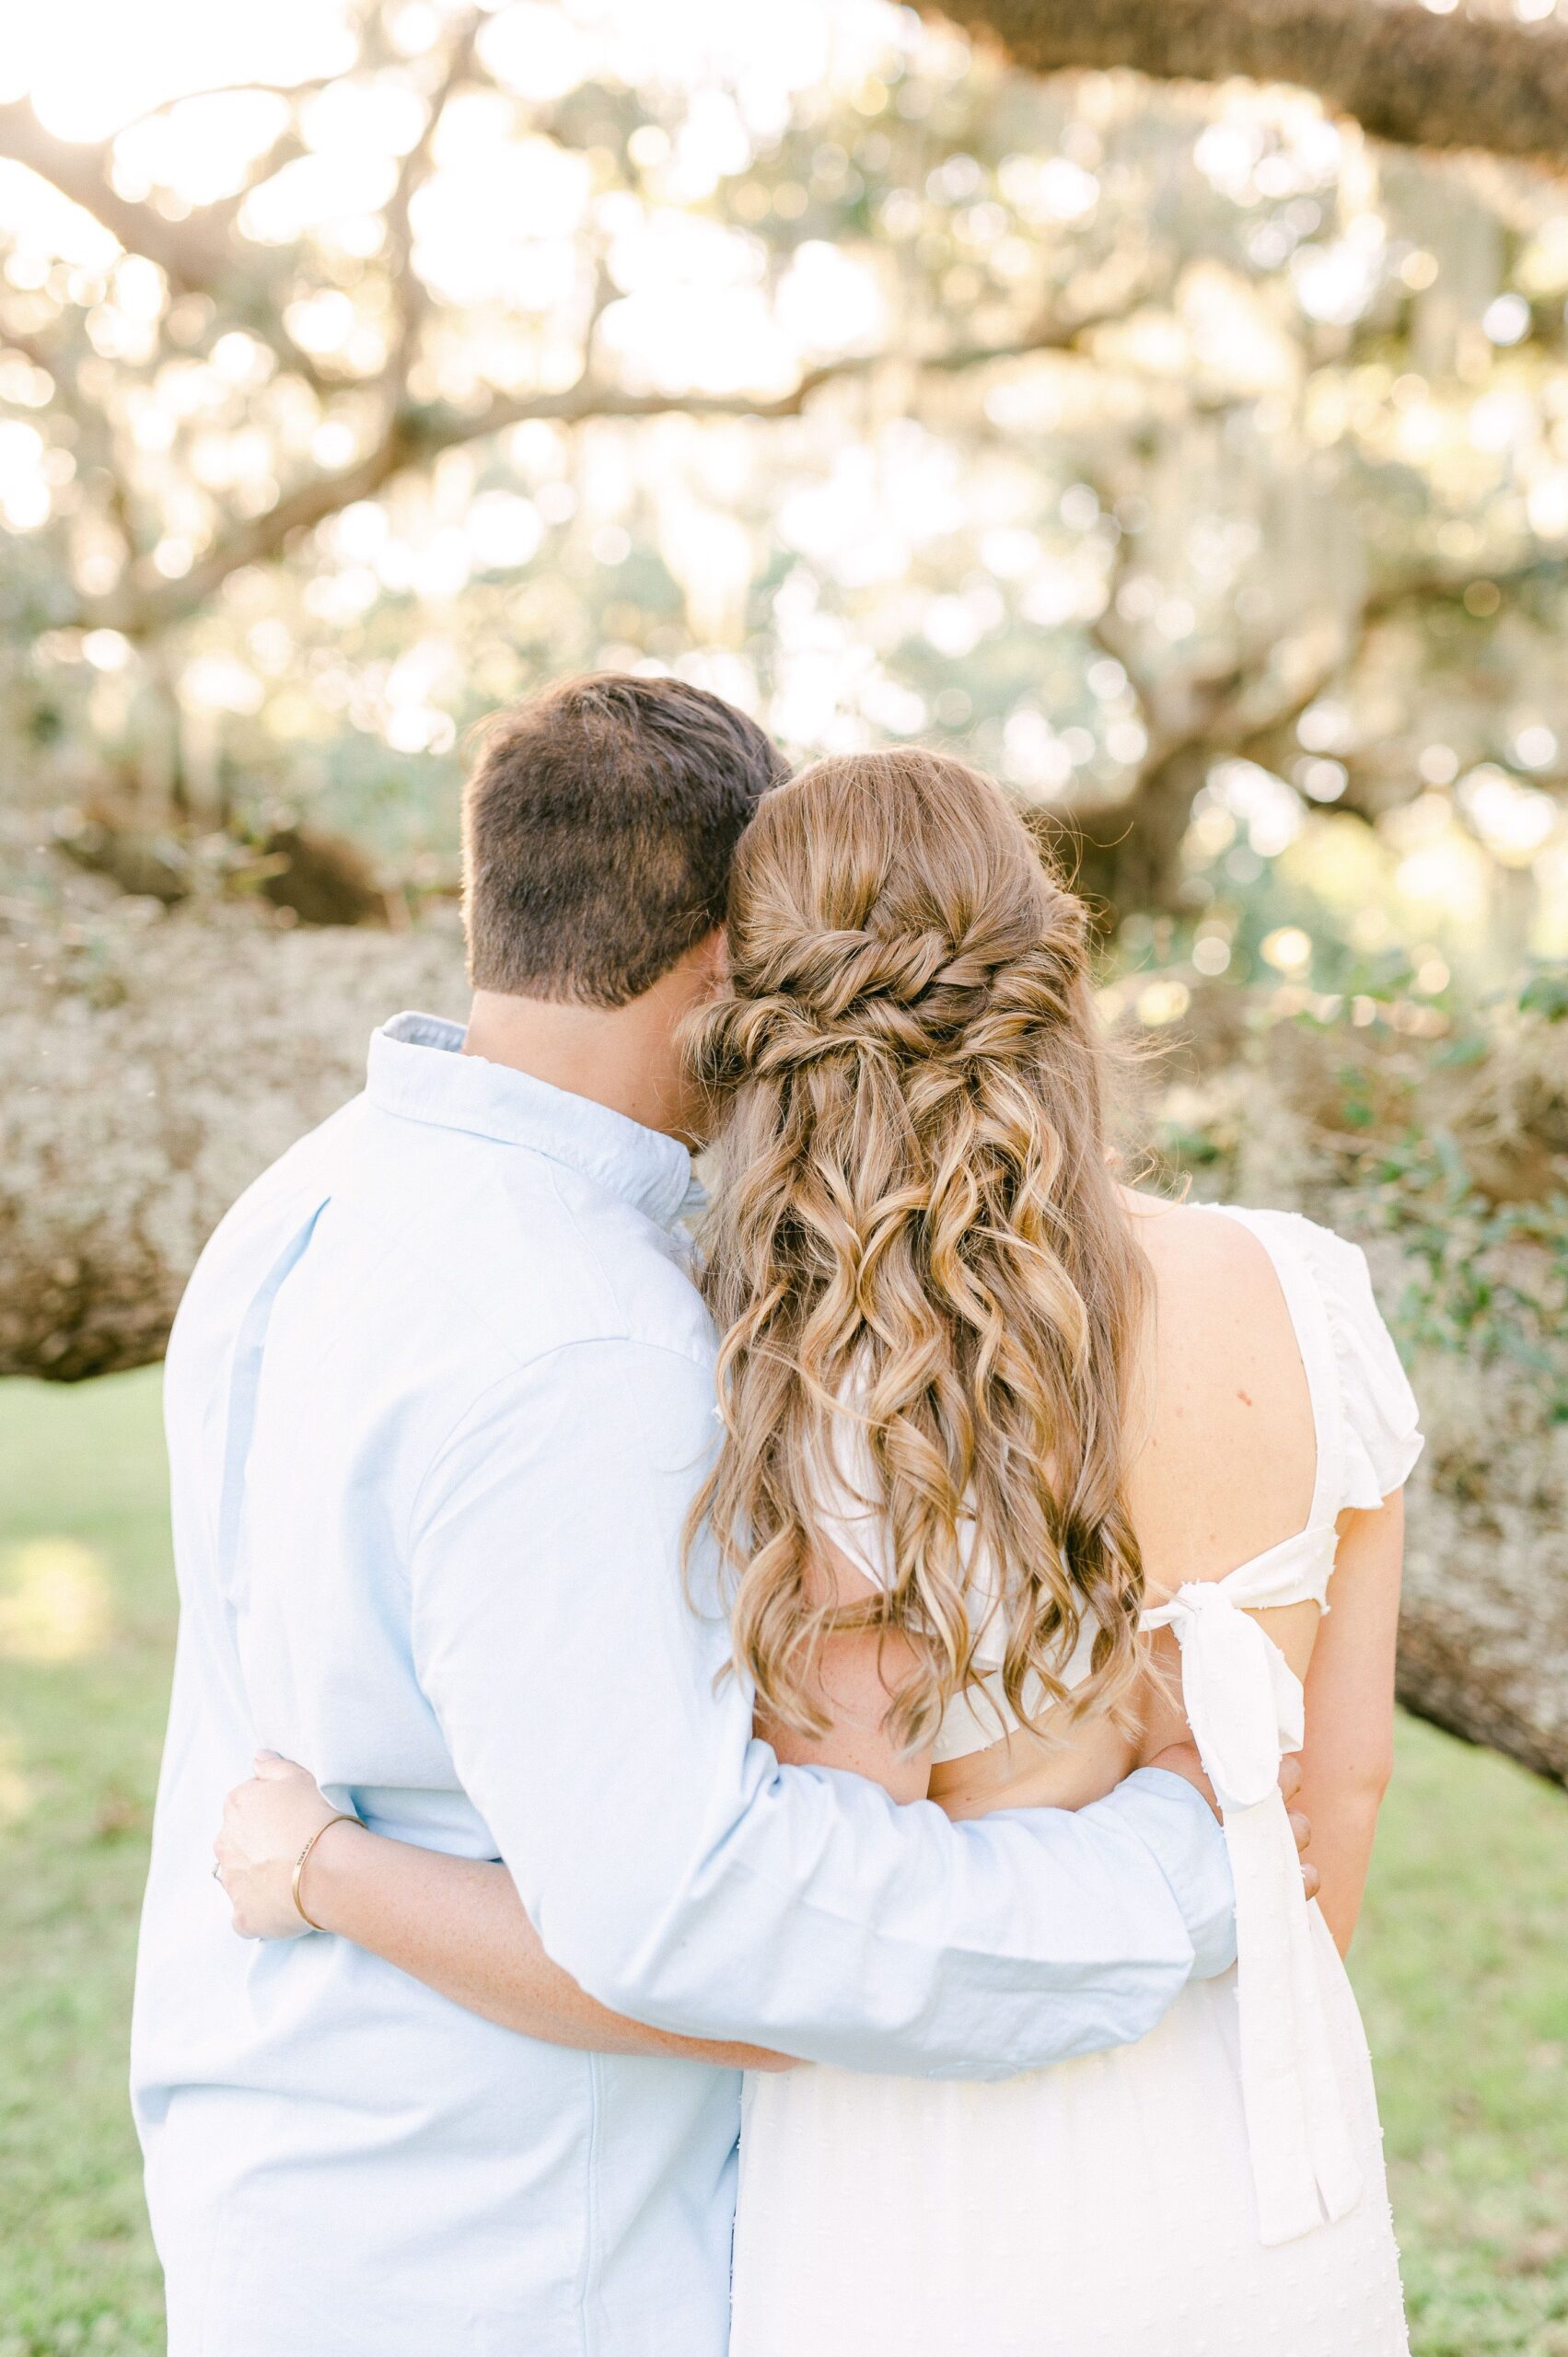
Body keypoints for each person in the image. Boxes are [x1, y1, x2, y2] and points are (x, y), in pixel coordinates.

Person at [214, 741, 1417, 2356]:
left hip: (932, 2203)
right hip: (1273, 2149)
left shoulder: (843, 1393)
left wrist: (325, 1868)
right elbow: (1339, 1799)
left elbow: (811, 1931)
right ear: (1054, 971)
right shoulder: (1311, 1293)